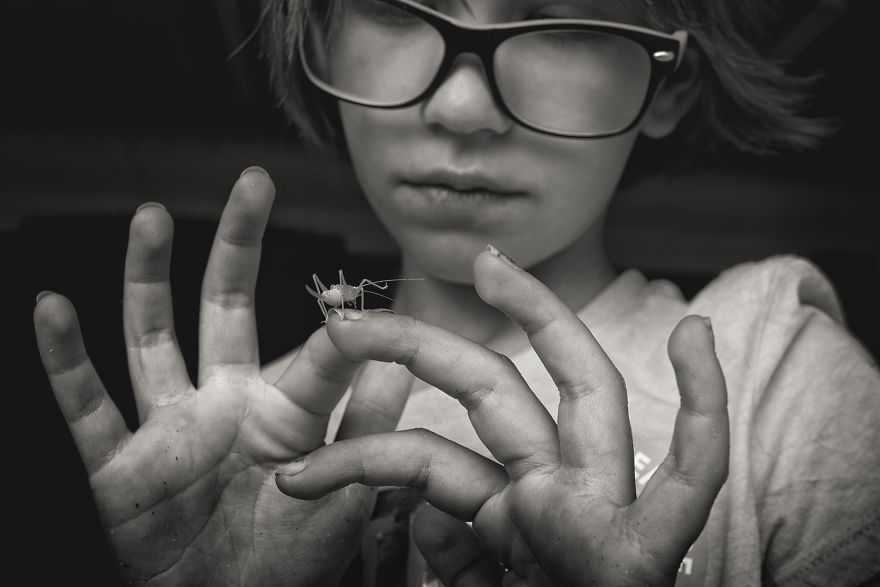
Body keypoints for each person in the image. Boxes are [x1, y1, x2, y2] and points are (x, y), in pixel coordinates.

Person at [32, 0, 879, 585]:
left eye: (558, 19)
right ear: (318, 41)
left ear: (672, 80)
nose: (463, 104)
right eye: (398, 8)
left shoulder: (776, 375)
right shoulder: (230, 450)